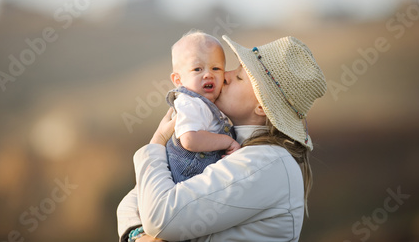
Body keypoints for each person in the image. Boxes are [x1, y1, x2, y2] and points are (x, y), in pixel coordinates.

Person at [117, 35, 327, 242]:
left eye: (239, 76)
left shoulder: (263, 161)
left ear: (262, 106)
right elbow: (133, 202)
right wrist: (139, 235)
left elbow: (160, 216)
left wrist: (157, 143)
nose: (225, 75)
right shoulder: (227, 141)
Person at [165, 31, 239, 183]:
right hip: (187, 177)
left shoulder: (207, 103)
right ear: (178, 80)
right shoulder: (189, 103)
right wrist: (227, 141)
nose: (208, 74)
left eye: (216, 69)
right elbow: (190, 139)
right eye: (198, 69)